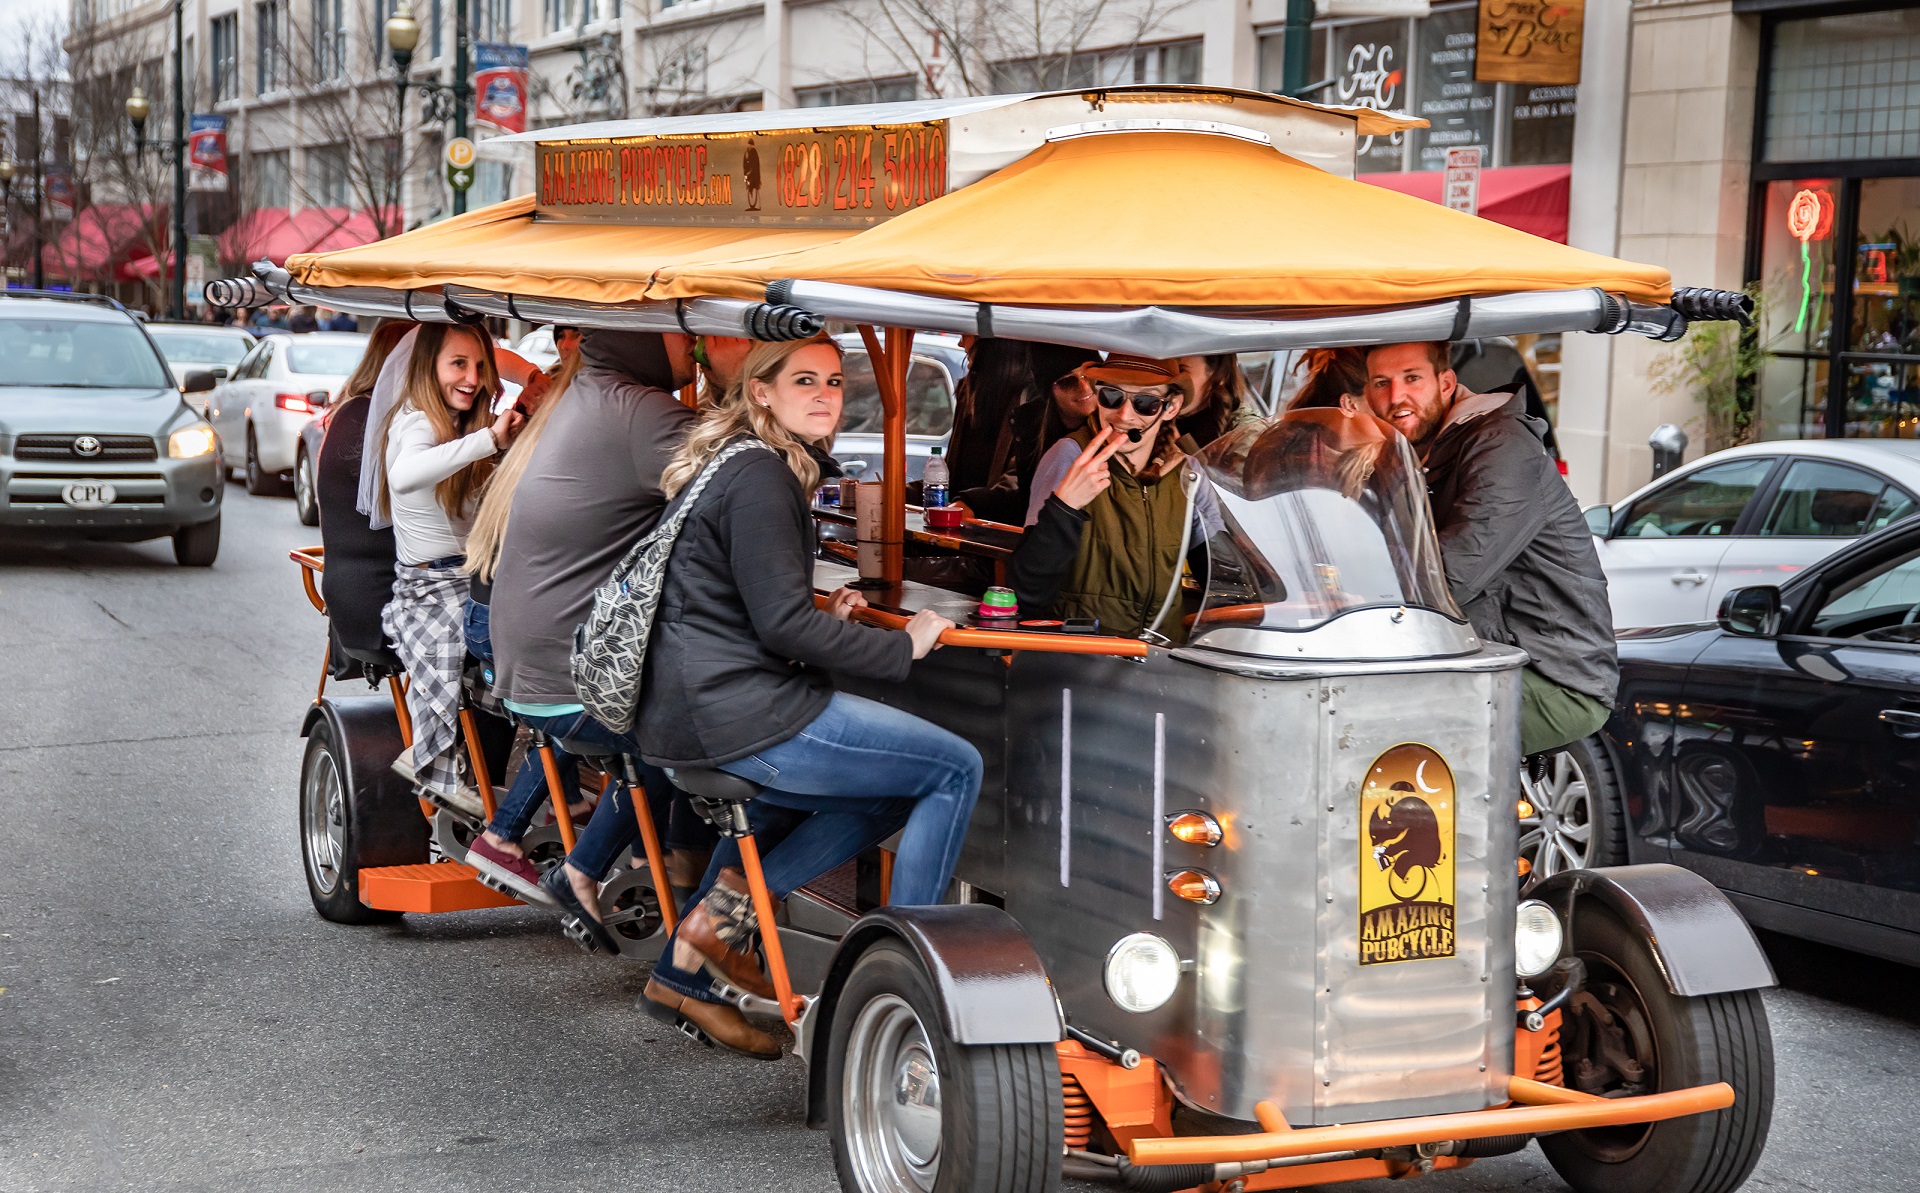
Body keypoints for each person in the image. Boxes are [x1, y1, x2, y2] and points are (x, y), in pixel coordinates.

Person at [637, 336, 977, 1057]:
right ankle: (906, 988)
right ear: (761, 390)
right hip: (737, 713)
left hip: (701, 707)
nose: (826, 394)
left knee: (890, 791)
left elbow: (743, 607)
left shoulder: (740, 461)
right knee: (954, 768)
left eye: (833, 380)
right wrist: (902, 644)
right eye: (804, 381)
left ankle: (694, 952)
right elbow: (777, 622)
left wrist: (824, 619)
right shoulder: (763, 476)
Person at [475, 331, 708, 943]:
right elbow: (740, 497)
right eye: (680, 325)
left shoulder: (585, 392)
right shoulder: (643, 411)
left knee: (675, 725)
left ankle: (614, 870)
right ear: (638, 338)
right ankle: (697, 927)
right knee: (698, 735)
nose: (696, 339)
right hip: (569, 679)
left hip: (527, 671)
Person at [1363, 341, 1615, 756]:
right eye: (1381, 383)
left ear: (1445, 383)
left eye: (1411, 378)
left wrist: (1354, 599)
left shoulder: (1502, 448)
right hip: (1477, 654)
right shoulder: (1417, 452)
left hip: (1551, 674)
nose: (1396, 396)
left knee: (1379, 725)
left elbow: (1450, 578)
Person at [368, 324, 523, 803]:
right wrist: (490, 443)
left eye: (480, 366)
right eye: (458, 363)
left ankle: (507, 780)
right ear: (429, 367)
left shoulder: (467, 426)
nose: (472, 377)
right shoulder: (415, 421)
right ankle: (461, 775)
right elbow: (406, 474)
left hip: (472, 580)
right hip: (429, 590)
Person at [1007, 354, 1218, 641]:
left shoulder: (1188, 474)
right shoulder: (1071, 456)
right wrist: (1064, 507)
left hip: (1158, 659)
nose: (1124, 415)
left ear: (1171, 407)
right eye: (1111, 396)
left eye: (1145, 403)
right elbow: (1025, 591)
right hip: (1083, 653)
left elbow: (1221, 578)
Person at [961, 343, 1102, 523]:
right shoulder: (1033, 429)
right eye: (1068, 381)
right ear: (1049, 390)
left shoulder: (1114, 425)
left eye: (1091, 375)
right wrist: (971, 502)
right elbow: (1025, 491)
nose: (1085, 387)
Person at [1175, 354, 1249, 448]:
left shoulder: (1245, 434)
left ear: (1218, 375)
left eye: (1181, 371)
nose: (1169, 381)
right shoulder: (1155, 417)